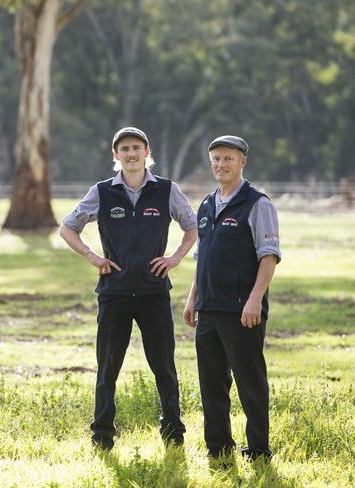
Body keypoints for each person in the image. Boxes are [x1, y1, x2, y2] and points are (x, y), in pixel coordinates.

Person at [59, 127, 197, 451]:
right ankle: (102, 436)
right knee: (107, 370)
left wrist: (175, 257)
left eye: (136, 147)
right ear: (115, 156)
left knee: (164, 367)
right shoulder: (102, 192)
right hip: (114, 294)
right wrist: (93, 257)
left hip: (154, 293)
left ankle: (173, 434)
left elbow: (191, 227)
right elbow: (68, 229)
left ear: (147, 153)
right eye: (124, 148)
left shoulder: (166, 190)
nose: (131, 153)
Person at [183, 135, 281, 463]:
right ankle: (219, 448)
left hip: (243, 310)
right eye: (216, 159)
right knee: (211, 383)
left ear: (242, 162)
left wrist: (255, 299)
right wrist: (192, 297)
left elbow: (269, 257)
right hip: (208, 308)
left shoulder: (258, 204)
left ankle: (258, 450)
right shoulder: (207, 205)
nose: (221, 164)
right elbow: (203, 257)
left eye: (228, 158)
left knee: (249, 381)